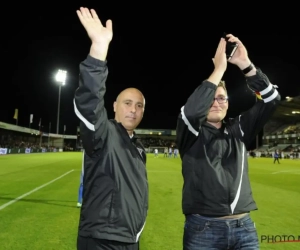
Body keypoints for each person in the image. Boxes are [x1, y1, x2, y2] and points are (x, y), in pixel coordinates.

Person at [176, 34, 281, 249]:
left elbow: (271, 99)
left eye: (221, 98)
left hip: (244, 229)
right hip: (203, 230)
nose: (216, 103)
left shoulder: (239, 128)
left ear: (228, 103)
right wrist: (219, 70)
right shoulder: (190, 131)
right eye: (211, 98)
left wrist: (246, 65)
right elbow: (192, 110)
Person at [74, 7, 148, 250]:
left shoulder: (138, 147)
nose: (133, 110)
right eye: (127, 103)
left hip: (129, 240)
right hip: (102, 241)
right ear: (114, 106)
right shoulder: (103, 133)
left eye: (139, 106)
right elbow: (89, 102)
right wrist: (99, 49)